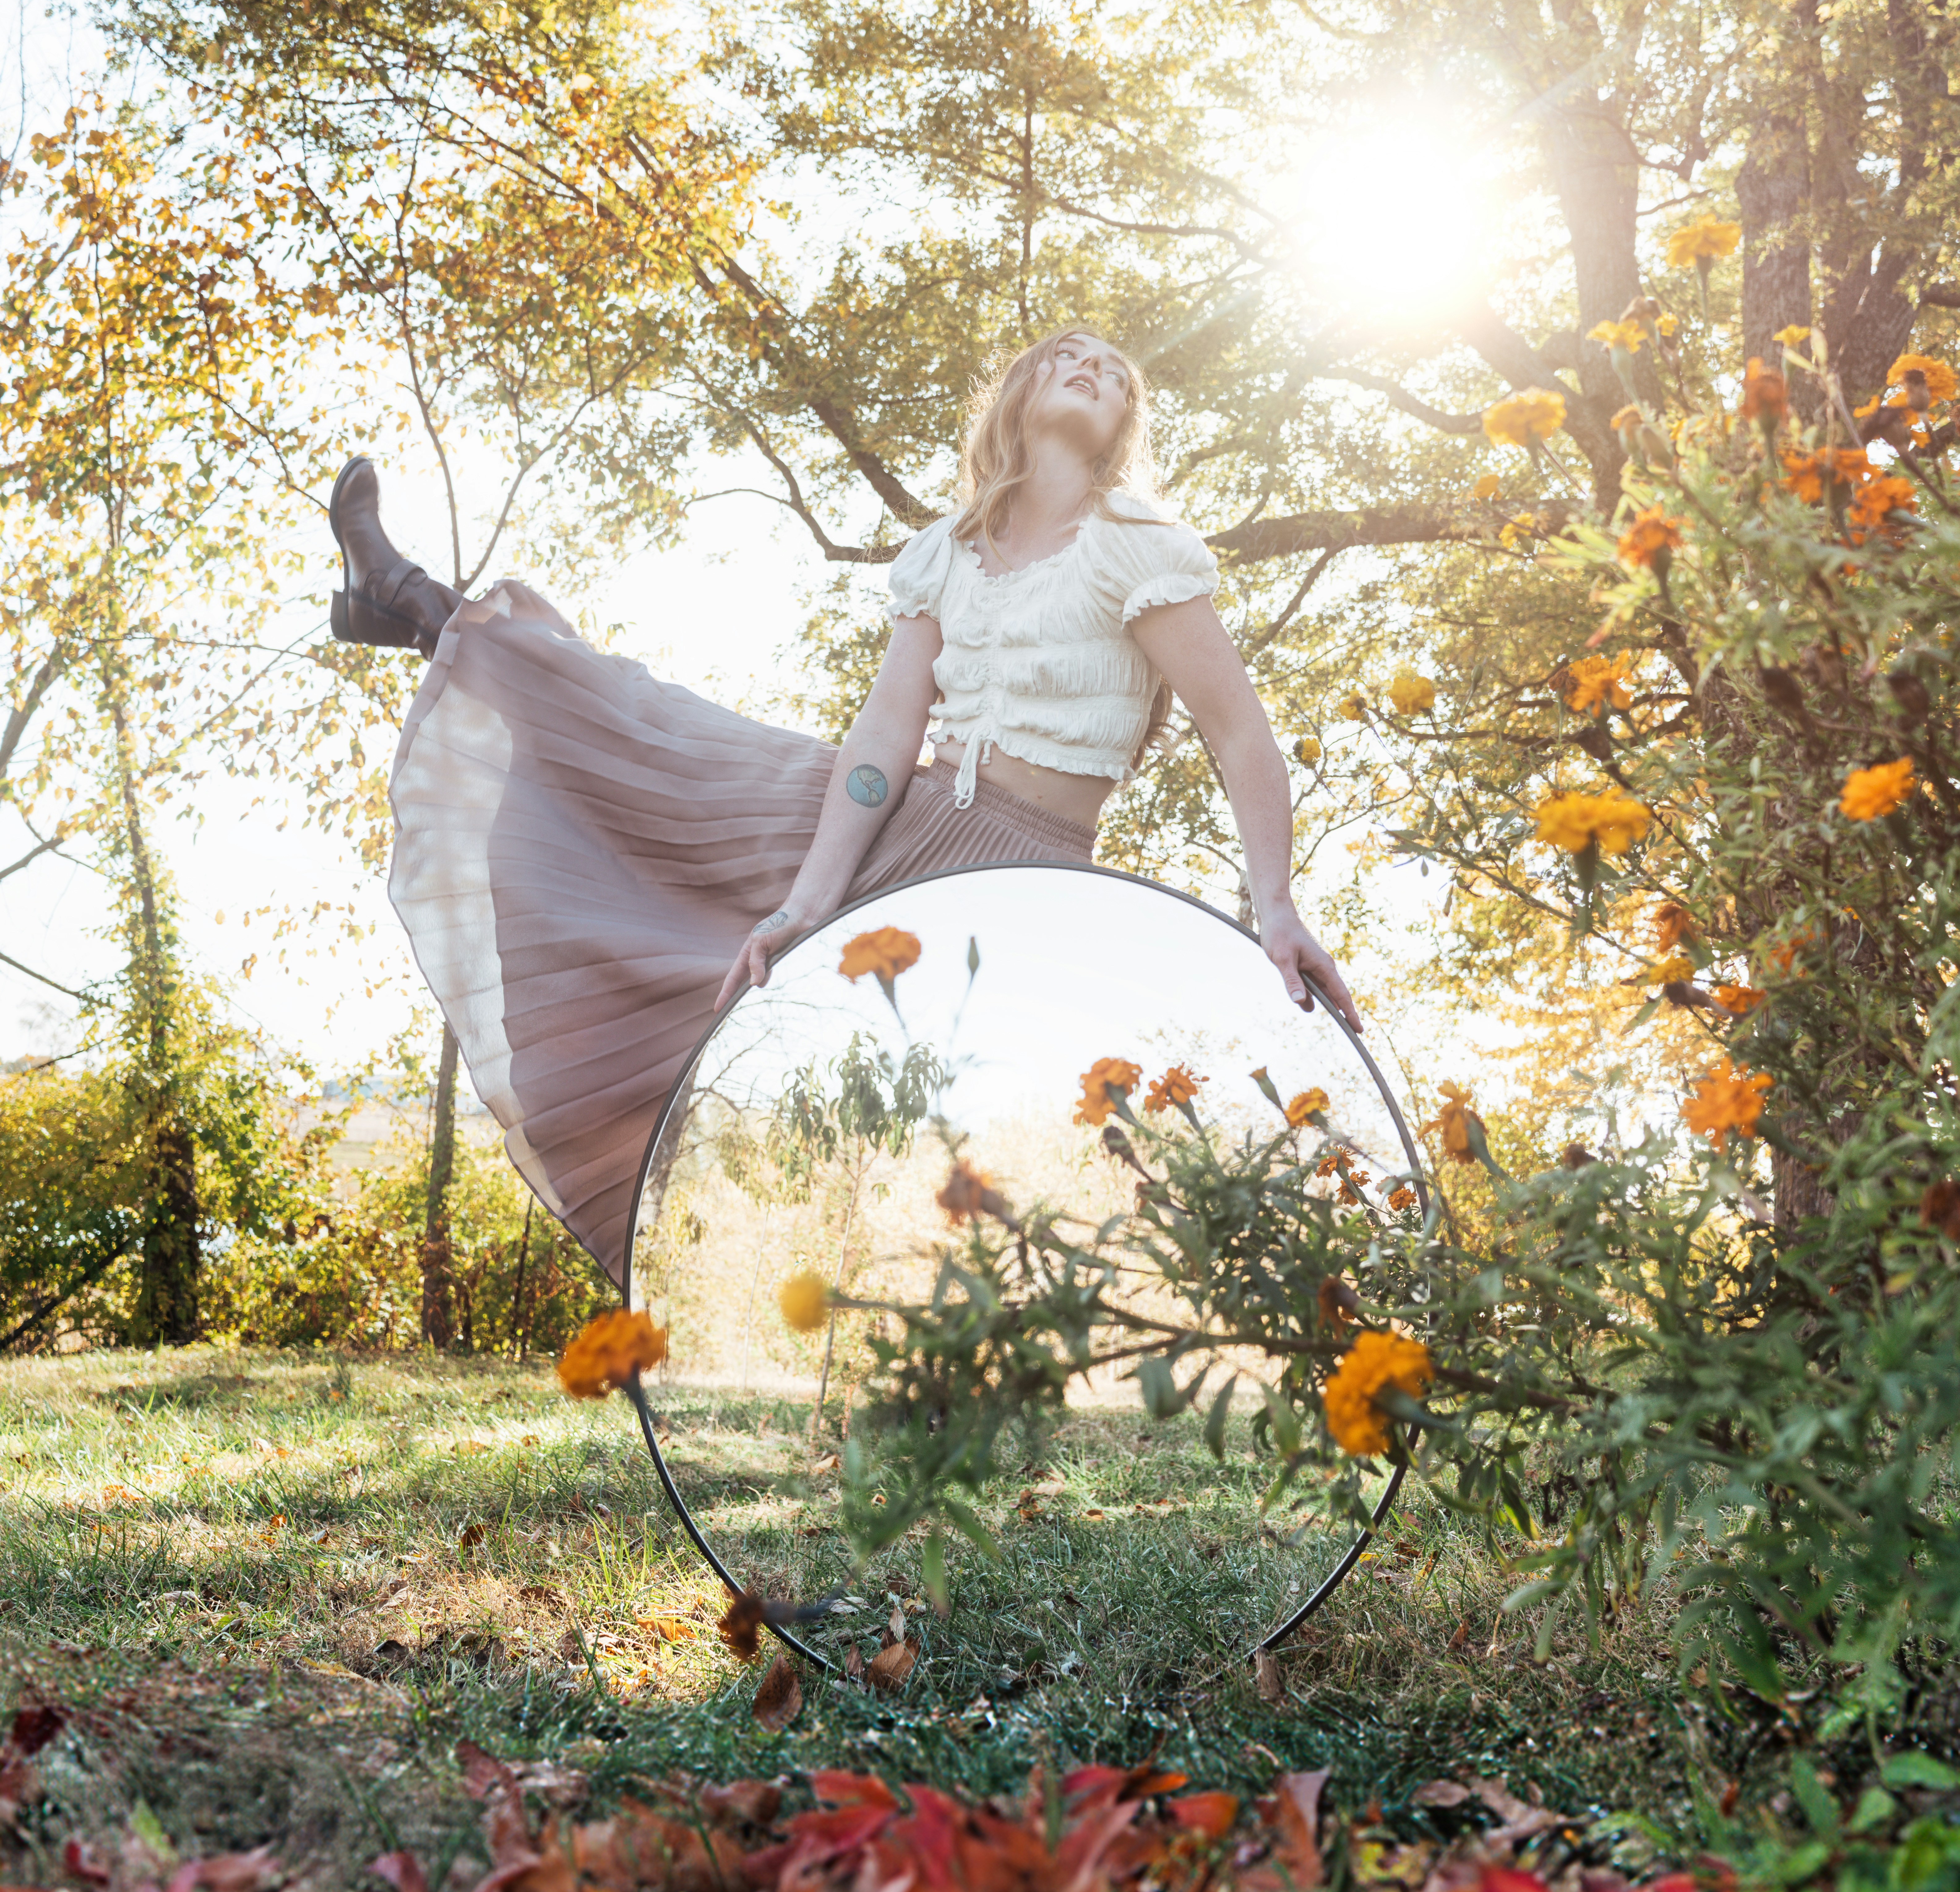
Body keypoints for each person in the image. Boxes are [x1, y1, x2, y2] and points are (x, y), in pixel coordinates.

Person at [332, 324, 1358, 1290]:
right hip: (895, 824)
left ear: (1124, 424)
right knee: (661, 751)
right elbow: (883, 737)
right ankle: (413, 601)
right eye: (1069, 358)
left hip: (1020, 875)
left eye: (1116, 374)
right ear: (1023, 393)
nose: (1098, 369)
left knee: (925, 1111)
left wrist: (1274, 904)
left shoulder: (1136, 543)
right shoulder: (949, 552)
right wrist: (807, 901)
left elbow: (1240, 732)